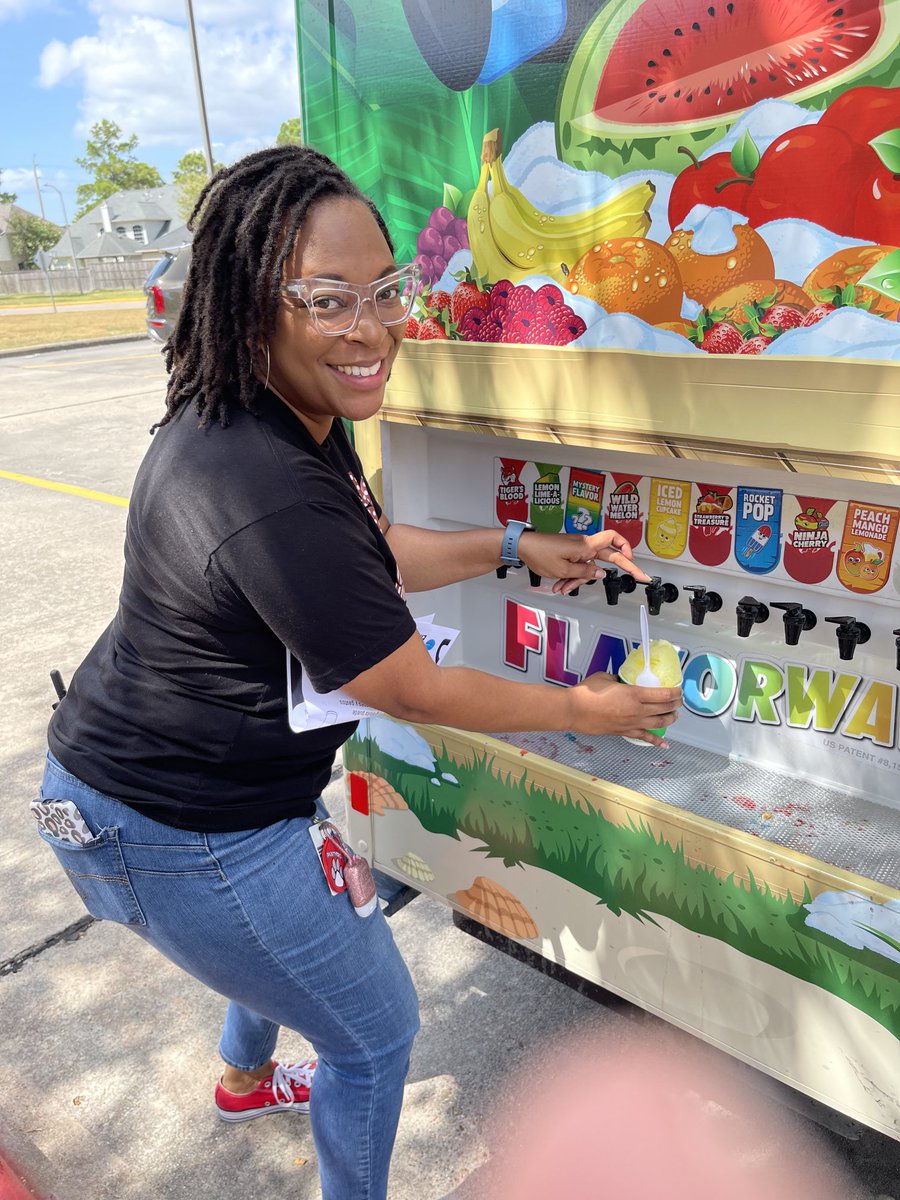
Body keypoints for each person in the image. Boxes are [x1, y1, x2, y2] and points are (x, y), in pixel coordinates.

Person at [34, 144, 682, 1200]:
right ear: (253, 306)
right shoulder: (261, 481)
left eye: (385, 290)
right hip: (182, 829)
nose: (372, 327)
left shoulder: (282, 416)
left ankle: (245, 1080)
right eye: (328, 299)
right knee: (377, 1036)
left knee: (305, 918)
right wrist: (586, 709)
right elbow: (410, 689)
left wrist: (518, 547)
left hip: (161, 798)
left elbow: (368, 554)